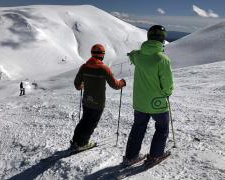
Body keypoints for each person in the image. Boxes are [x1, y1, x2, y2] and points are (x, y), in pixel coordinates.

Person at [123, 25, 174, 166]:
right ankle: (155, 156)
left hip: (140, 101)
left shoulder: (138, 55)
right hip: (157, 102)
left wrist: (131, 55)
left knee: (138, 127)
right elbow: (168, 83)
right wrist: (167, 93)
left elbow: (132, 54)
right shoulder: (162, 59)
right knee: (162, 128)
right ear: (163, 39)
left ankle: (130, 157)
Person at [71, 44, 126, 150]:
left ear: (92, 53)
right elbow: (115, 85)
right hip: (98, 103)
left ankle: (76, 141)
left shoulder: (84, 67)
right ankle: (82, 144)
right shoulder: (104, 69)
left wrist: (80, 86)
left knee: (84, 120)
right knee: (91, 124)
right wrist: (122, 83)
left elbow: (77, 84)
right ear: (102, 55)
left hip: (86, 101)